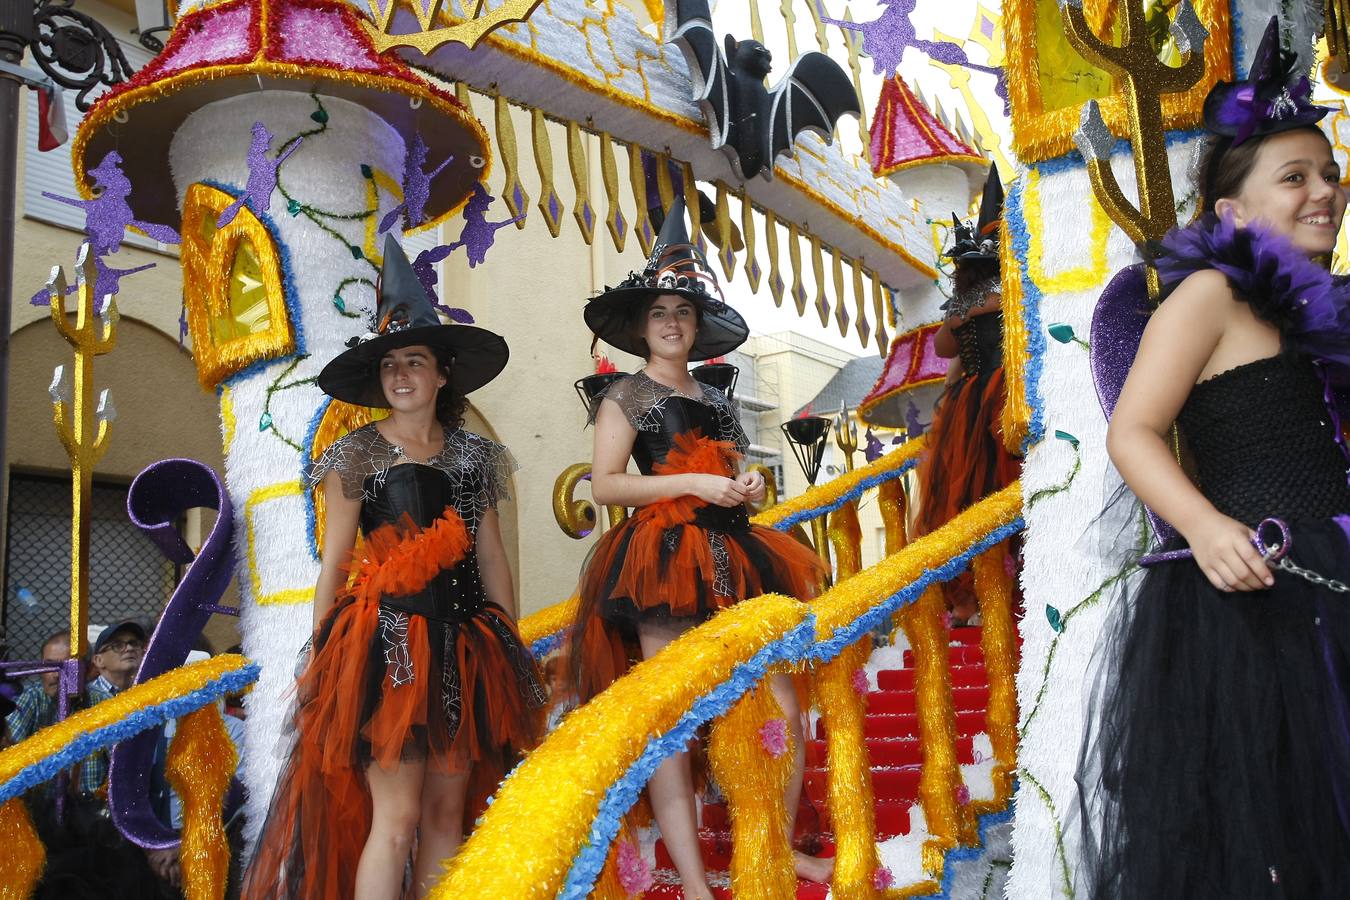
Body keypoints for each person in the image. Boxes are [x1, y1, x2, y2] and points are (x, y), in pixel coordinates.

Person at [1079, 17, 1350, 897]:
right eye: (1296, 177)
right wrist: (1201, 526)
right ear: (1232, 212)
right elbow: (1134, 431)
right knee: (1276, 816)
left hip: (1337, 567)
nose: (1325, 191)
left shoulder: (1328, 310)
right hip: (1258, 592)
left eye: (1331, 174)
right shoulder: (1210, 295)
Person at [243, 235, 546, 900]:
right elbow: (335, 565)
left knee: (446, 816)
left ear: (442, 374)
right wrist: (324, 656)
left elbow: (490, 554)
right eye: (390, 365)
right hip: (388, 654)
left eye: (415, 361)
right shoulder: (355, 454)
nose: (401, 374)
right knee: (398, 816)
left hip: (467, 650)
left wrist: (507, 644)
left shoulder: (474, 456)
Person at [570, 197, 832, 897]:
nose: (672, 324)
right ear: (642, 325)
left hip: (736, 552)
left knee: (778, 699)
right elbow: (605, 486)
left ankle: (777, 846)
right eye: (660, 313)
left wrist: (745, 484)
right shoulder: (624, 394)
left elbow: (729, 473)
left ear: (697, 324)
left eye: (683, 313)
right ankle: (690, 879)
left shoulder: (719, 397)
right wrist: (687, 482)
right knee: (674, 717)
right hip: (659, 565)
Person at [914, 167, 1019, 624]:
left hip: (969, 404)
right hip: (1008, 394)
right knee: (1009, 489)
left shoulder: (963, 303)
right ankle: (1017, 592)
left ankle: (968, 599)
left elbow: (943, 349)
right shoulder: (1016, 291)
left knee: (963, 500)